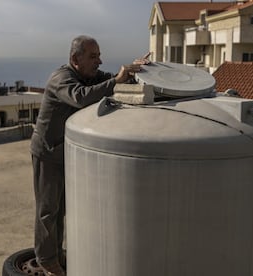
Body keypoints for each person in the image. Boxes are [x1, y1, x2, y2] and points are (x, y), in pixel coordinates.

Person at [30, 35, 149, 276]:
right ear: (76, 59)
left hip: (64, 151)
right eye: (93, 56)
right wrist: (116, 79)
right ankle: (46, 258)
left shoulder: (87, 75)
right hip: (47, 152)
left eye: (99, 55)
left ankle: (56, 252)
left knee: (61, 209)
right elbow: (81, 97)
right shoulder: (61, 79)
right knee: (47, 210)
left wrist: (133, 70)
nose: (99, 61)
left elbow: (111, 80)